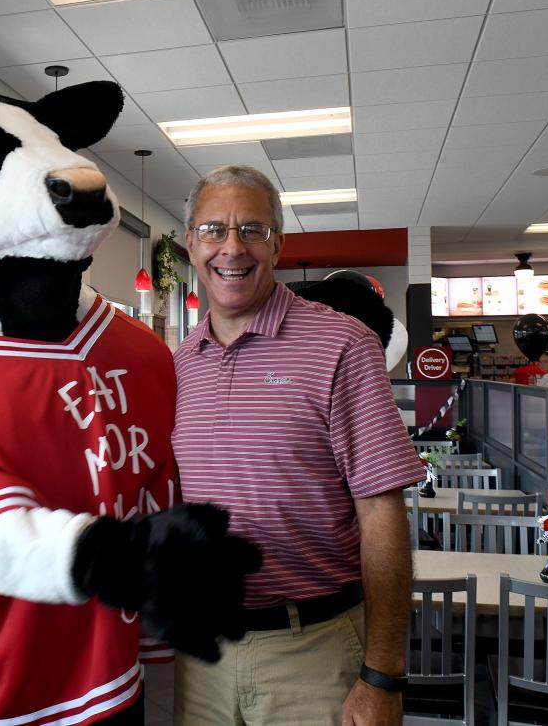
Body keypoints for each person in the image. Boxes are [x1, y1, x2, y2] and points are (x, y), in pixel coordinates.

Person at [170, 165, 426, 726]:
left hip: (312, 653)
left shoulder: (341, 344)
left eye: (252, 231)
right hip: (197, 657)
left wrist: (383, 674)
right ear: (191, 244)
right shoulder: (180, 363)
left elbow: (381, 511)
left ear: (277, 245)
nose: (231, 248)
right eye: (214, 230)